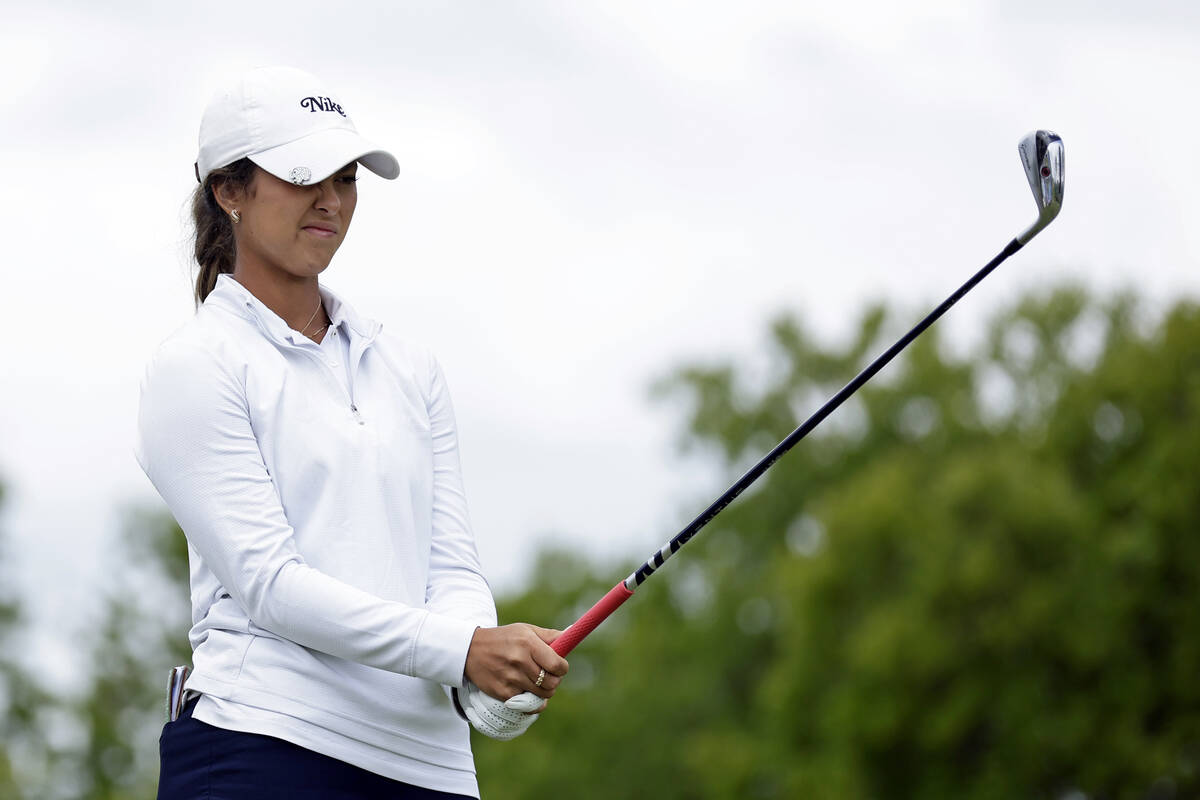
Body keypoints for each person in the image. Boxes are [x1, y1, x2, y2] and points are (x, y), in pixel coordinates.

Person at [136, 65, 568, 799]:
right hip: (265, 744)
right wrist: (460, 649)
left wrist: (482, 681)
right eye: (303, 176)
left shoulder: (408, 365)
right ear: (229, 191)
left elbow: (451, 567)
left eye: (345, 178)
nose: (330, 200)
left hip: (429, 765)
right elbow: (271, 586)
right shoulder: (195, 366)